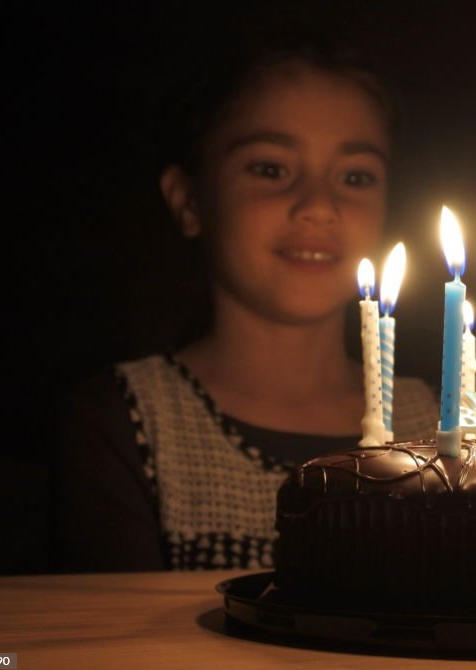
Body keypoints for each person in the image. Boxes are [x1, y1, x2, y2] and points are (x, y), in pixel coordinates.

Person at [51, 35, 438, 572]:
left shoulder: (446, 422)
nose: (319, 206)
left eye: (355, 177)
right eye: (271, 169)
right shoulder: (128, 420)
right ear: (188, 200)